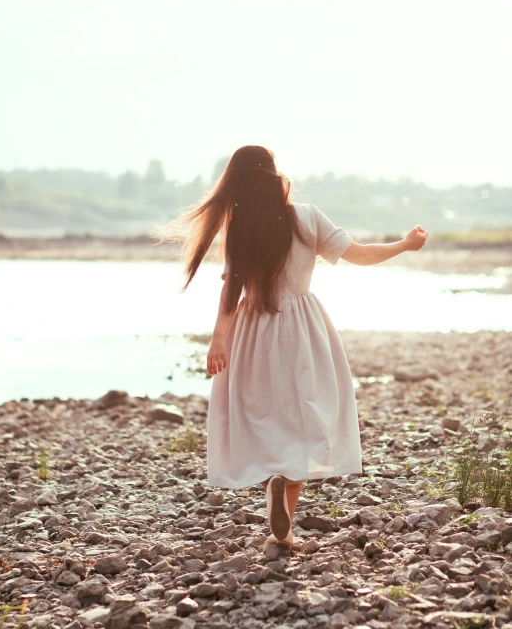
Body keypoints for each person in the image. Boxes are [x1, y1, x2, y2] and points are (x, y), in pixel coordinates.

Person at [181, 145, 427, 550]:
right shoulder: (308, 217)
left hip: (253, 328)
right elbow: (360, 256)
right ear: (275, 174)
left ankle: (272, 483)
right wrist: (404, 244)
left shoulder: (240, 225)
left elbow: (231, 292)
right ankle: (286, 516)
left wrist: (218, 340)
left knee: (258, 414)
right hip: (304, 326)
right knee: (304, 415)